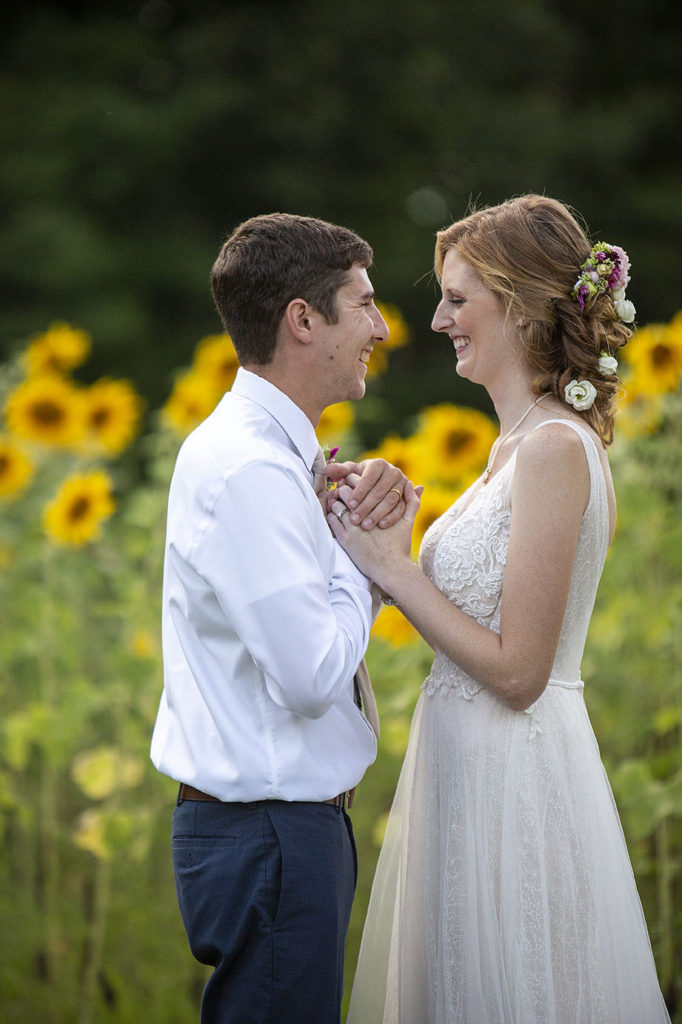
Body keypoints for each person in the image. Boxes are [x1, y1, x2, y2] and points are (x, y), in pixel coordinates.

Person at [328, 195, 671, 1023]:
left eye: (457, 297)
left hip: (516, 772)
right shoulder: (511, 447)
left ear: (516, 306)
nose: (439, 317)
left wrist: (395, 570)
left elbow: (520, 670)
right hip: (464, 765)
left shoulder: (555, 448)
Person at [150, 212, 415, 1024]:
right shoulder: (252, 470)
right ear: (304, 319)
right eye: (363, 304)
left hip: (269, 836)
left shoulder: (267, 460)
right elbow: (306, 680)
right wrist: (370, 563)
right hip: (270, 837)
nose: (381, 327)